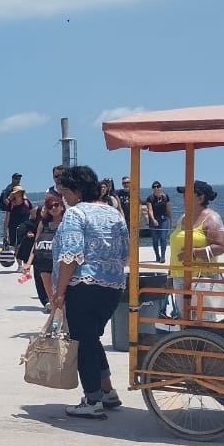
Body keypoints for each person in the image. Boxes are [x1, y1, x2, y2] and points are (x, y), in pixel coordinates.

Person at [50, 166, 128, 418]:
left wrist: (59, 293)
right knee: (92, 338)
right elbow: (125, 252)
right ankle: (107, 391)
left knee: (83, 343)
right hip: (113, 286)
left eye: (65, 191)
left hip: (83, 286)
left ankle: (92, 398)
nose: (63, 197)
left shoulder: (76, 214)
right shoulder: (114, 214)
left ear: (76, 190)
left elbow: (71, 256)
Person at [169, 181, 224, 321]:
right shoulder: (183, 217)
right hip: (179, 275)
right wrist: (170, 274)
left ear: (200, 198)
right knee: (184, 318)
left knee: (204, 319)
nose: (183, 196)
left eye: (187, 194)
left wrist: (194, 253)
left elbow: (221, 246)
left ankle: (207, 343)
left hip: (202, 277)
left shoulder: (211, 218)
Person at [24, 194, 65, 311]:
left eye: (56, 205)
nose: (53, 208)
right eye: (50, 206)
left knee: (60, 295)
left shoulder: (66, 223)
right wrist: (28, 262)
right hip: (43, 262)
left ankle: (59, 321)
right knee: (51, 296)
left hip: (59, 263)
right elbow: (36, 243)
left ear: (62, 206)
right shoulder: (44, 223)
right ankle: (54, 320)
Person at [144, 181, 171, 263]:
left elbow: (168, 209)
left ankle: (163, 256)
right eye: (154, 187)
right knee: (155, 239)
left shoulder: (165, 197)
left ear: (160, 187)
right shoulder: (150, 198)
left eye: (158, 186)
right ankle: (157, 256)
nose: (156, 188)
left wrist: (170, 220)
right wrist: (153, 219)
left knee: (163, 238)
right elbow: (150, 210)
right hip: (154, 219)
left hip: (164, 219)